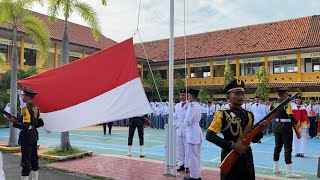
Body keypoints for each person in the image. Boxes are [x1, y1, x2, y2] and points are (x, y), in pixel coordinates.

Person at [206, 79, 268, 180]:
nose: (240, 97)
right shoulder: (222, 114)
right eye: (237, 94)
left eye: (242, 94)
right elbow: (209, 135)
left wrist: (260, 130)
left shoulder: (249, 115)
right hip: (230, 155)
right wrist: (232, 145)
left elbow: (254, 139)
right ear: (228, 97)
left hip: (246, 157)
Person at [7, 86, 44, 180]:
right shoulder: (36, 108)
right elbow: (40, 123)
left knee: (26, 160)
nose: (22, 97)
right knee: (34, 158)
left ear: (27, 97)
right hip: (34, 135)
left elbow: (25, 126)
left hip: (27, 137)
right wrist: (14, 119)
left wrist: (15, 123)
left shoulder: (25, 109)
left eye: (24, 95)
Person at [271, 87, 301, 178]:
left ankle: (275, 168)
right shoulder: (287, 103)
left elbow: (271, 113)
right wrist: (297, 123)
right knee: (288, 148)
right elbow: (290, 115)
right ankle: (289, 172)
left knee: (277, 146)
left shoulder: (273, 103)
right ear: (284, 94)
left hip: (276, 126)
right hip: (286, 127)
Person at [183, 89, 202, 180]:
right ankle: (197, 174)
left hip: (192, 132)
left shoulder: (191, 106)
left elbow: (188, 121)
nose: (188, 97)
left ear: (191, 96)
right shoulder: (198, 105)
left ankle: (193, 176)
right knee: (197, 155)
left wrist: (185, 120)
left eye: (189, 95)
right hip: (197, 130)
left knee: (192, 156)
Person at [173, 89, 189, 173]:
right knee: (180, 148)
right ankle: (181, 164)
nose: (181, 96)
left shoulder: (189, 105)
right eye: (180, 95)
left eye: (183, 95)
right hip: (179, 129)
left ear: (186, 96)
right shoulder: (177, 106)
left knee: (187, 148)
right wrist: (176, 125)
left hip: (187, 129)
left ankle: (187, 165)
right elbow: (175, 117)